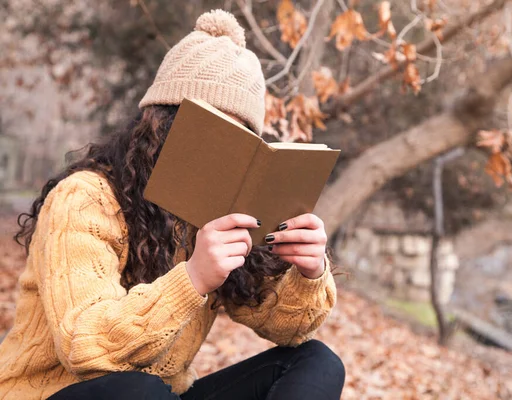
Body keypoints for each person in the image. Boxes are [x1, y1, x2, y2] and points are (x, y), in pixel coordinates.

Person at [0, 9, 344, 400]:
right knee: (138, 391)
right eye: (211, 128)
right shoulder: (84, 198)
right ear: (159, 123)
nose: (221, 153)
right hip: (57, 394)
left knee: (315, 362)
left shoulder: (216, 213)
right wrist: (194, 278)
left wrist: (309, 272)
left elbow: (287, 327)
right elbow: (86, 345)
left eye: (239, 139)